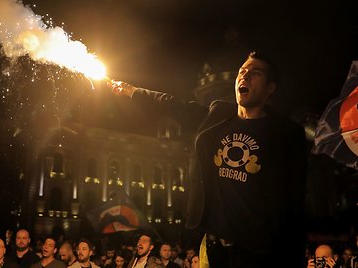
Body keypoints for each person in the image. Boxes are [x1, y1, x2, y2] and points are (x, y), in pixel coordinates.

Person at [109, 51, 308, 267]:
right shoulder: (217, 115)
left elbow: (294, 204)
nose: (245, 76)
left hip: (257, 253)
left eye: (255, 73)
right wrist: (132, 91)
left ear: (270, 88)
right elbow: (171, 104)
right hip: (215, 249)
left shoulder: (285, 133)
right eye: (242, 72)